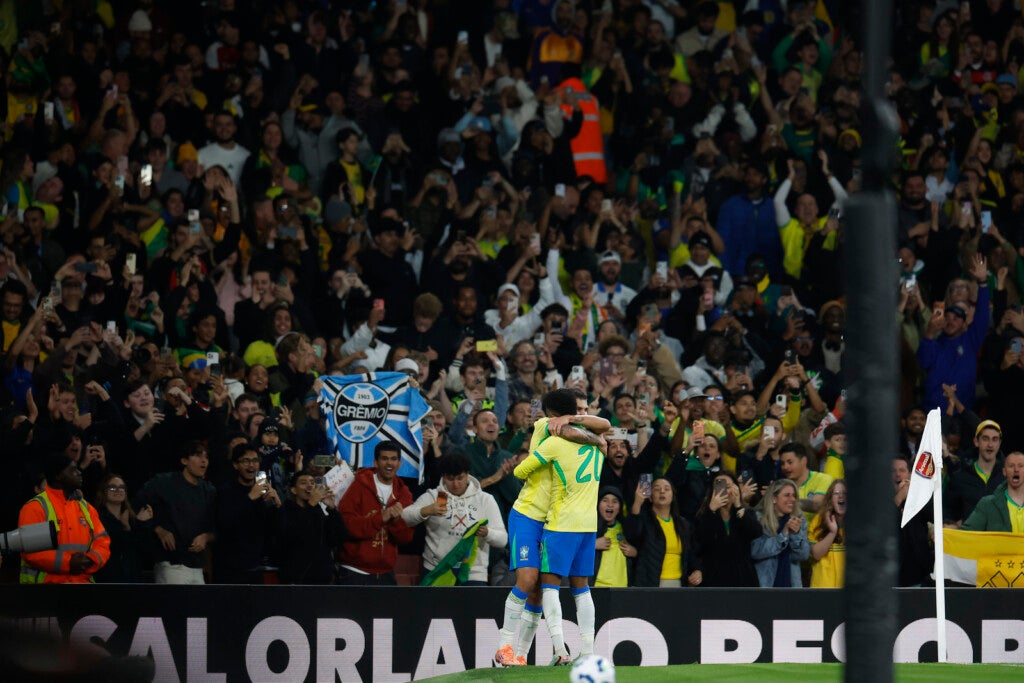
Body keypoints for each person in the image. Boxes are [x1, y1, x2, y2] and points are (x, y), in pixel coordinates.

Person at [493, 389, 608, 667]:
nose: (583, 415)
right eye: (578, 410)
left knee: (539, 590)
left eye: (584, 410)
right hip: (528, 514)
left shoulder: (574, 428)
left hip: (552, 519)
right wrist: (597, 440)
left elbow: (604, 426)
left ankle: (521, 654)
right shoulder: (547, 425)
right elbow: (585, 432)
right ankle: (504, 647)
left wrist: (586, 429)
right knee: (528, 579)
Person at [401, 453, 507, 585]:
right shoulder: (434, 496)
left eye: (460, 478)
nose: (456, 484)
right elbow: (404, 517)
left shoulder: (485, 500)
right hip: (436, 570)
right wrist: (426, 510)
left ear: (467, 474)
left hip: (472, 573)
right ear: (443, 477)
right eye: (450, 479)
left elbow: (503, 539)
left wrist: (487, 533)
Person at [19, 453, 111, 584]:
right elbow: (31, 552)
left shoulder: (86, 507)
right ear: (58, 475)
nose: (79, 473)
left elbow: (103, 541)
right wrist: (69, 562)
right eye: (73, 470)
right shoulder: (35, 507)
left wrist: (91, 560)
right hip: (44, 592)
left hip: (82, 586)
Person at [136, 440, 217, 585]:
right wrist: (158, 529)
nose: (204, 460)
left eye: (206, 456)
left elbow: (219, 525)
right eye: (197, 455)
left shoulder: (209, 491)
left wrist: (206, 537)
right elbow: (137, 502)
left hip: (197, 566)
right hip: (171, 564)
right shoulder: (164, 483)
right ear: (184, 460)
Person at [336, 441, 414, 585]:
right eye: (384, 458)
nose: (389, 463)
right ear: (375, 462)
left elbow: (406, 538)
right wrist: (379, 518)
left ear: (400, 463)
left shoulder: (404, 494)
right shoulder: (358, 486)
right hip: (354, 571)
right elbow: (345, 526)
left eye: (393, 459)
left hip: (385, 573)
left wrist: (396, 522)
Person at [213, 443, 282, 584]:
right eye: (246, 461)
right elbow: (225, 523)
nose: (252, 465)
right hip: (229, 571)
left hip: (255, 569)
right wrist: (250, 497)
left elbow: (276, 531)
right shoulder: (225, 491)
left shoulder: (263, 493)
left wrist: (277, 505)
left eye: (255, 460)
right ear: (235, 465)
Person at [625, 476, 701, 588]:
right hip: (650, 584)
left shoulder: (683, 524)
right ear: (650, 497)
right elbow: (631, 535)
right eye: (656, 489)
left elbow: (689, 553)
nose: (662, 491)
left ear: (672, 496)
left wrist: (697, 570)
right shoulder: (645, 520)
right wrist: (637, 504)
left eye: (666, 489)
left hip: (678, 584)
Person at [276, 470, 348, 584]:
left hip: (323, 579)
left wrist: (332, 509)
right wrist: (311, 504)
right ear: (293, 490)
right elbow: (292, 537)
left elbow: (339, 538)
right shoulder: (285, 511)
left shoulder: (319, 512)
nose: (309, 485)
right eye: (303, 483)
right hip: (296, 580)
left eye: (312, 482)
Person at [693, 471, 762, 587]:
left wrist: (738, 505)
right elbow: (700, 541)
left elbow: (756, 532)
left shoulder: (745, 512)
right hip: (714, 579)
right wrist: (711, 510)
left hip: (743, 579)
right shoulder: (703, 515)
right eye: (719, 486)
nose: (723, 490)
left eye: (728, 486)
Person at [92, 472, 153, 583]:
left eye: (121, 488)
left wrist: (142, 524)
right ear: (103, 491)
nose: (118, 490)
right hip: (107, 579)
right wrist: (124, 528)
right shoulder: (96, 517)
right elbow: (112, 548)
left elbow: (146, 551)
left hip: (133, 579)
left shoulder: (132, 518)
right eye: (112, 488)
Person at [751, 479, 811, 587]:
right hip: (765, 587)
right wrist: (783, 535)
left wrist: (795, 535)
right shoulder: (758, 519)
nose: (792, 499)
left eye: (794, 495)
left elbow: (803, 555)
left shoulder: (798, 520)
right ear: (774, 498)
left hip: (791, 587)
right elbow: (755, 551)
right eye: (787, 495)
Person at [946, 420, 1006, 525]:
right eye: (985, 439)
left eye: (995, 439)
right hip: (968, 539)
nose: (990, 445)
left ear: (999, 443)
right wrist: (953, 524)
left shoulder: (1007, 478)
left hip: (998, 539)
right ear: (976, 442)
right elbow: (947, 510)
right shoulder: (960, 477)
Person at [961, 452, 1024, 532]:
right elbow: (965, 534)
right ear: (1004, 472)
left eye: (1021, 466)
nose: (1016, 470)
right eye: (1011, 466)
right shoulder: (987, 504)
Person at [592, 485, 634, 588]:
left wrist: (634, 552)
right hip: (597, 586)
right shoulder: (590, 527)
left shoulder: (626, 528)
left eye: (615, 501)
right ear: (598, 504)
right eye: (605, 500)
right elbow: (571, 546)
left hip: (622, 588)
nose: (610, 505)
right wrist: (593, 544)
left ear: (620, 508)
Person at [779, 443, 833, 522]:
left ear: (804, 461)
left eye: (790, 462)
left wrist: (785, 501)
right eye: (782, 463)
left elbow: (817, 505)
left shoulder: (823, 479)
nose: (785, 467)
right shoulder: (782, 486)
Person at [809, 479, 847, 588]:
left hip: (848, 591)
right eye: (836, 493)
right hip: (823, 588)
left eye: (845, 493)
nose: (841, 496)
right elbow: (816, 554)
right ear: (830, 499)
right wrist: (832, 532)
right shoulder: (819, 520)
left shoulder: (858, 524)